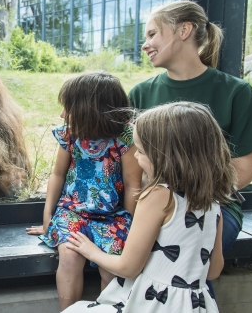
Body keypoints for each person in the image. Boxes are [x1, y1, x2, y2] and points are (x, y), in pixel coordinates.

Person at [128, 0, 252, 296]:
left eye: (152, 34)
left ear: (184, 30)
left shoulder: (237, 93)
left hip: (212, 205)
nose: (145, 44)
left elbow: (243, 171)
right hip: (153, 204)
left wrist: (180, 198)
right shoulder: (140, 93)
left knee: (191, 257)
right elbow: (131, 166)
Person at [62, 102, 233, 313]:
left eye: (141, 151)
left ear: (167, 157)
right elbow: (213, 270)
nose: (135, 156)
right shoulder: (213, 202)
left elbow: (128, 267)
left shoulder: (159, 196)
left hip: (154, 304)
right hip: (194, 306)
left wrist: (92, 251)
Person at [26, 72, 143, 310]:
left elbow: (133, 185)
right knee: (69, 256)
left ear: (90, 110)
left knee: (111, 266)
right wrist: (48, 217)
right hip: (73, 212)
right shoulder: (70, 135)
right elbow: (57, 175)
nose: (62, 115)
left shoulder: (124, 139)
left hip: (114, 215)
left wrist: (128, 223)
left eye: (68, 108)